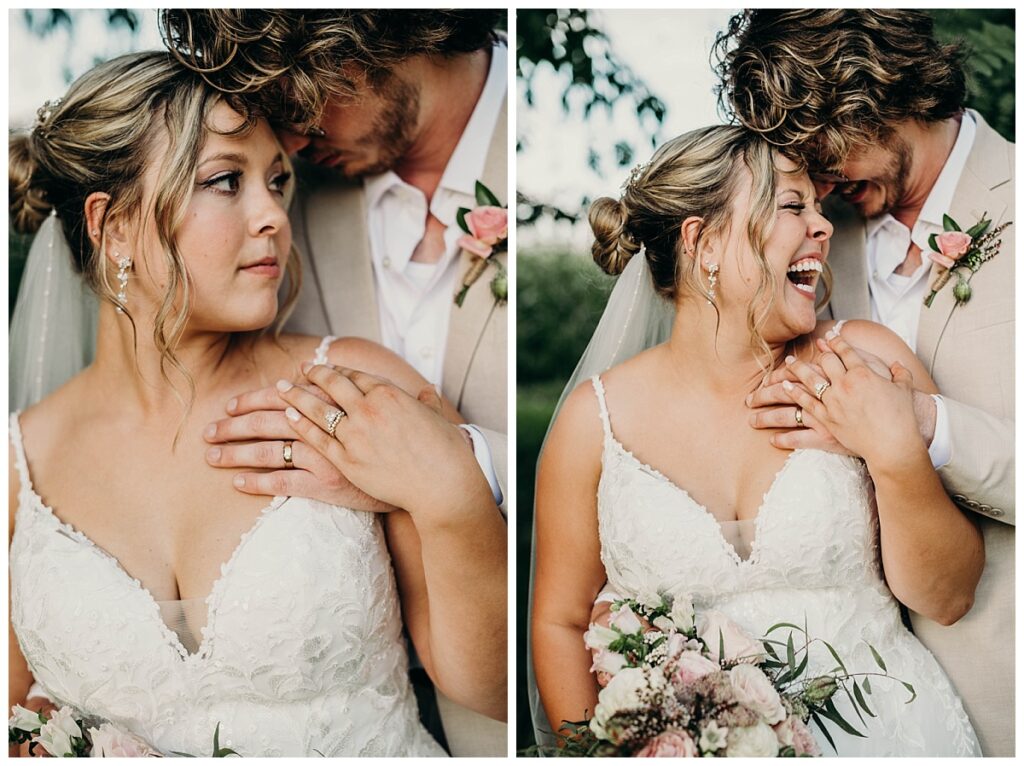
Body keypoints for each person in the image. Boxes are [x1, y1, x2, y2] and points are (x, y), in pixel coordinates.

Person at [8, 51, 504, 757]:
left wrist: (450, 496)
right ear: (112, 226)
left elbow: (486, 687)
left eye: (277, 181)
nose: (273, 214)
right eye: (225, 181)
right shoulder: (20, 462)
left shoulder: (352, 386)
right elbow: (18, 715)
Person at [530, 126, 983, 756]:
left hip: (893, 736)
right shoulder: (594, 420)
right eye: (794, 206)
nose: (823, 227)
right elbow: (562, 622)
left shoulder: (863, 363)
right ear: (703, 241)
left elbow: (950, 595)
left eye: (819, 209)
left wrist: (892, 450)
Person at [158, 12, 508, 753]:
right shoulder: (283, 195)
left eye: (299, 100)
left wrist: (444, 466)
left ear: (404, 36)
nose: (286, 137)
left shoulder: (540, 154)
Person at [714, 10, 1013, 755]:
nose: (817, 181)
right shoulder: (814, 235)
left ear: (882, 91)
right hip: (843, 702)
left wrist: (915, 425)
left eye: (824, 149)